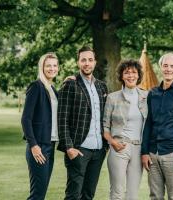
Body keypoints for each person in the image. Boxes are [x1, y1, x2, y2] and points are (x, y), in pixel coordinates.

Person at [141, 52, 173, 200]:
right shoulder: (153, 93)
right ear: (161, 68)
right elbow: (148, 123)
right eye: (165, 65)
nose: (168, 69)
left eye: (172, 66)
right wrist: (144, 152)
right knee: (155, 196)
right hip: (152, 153)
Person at [57, 46, 108, 200]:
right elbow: (62, 118)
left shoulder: (102, 86)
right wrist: (69, 147)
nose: (87, 63)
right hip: (79, 148)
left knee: (88, 194)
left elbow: (105, 117)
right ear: (78, 62)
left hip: (98, 150)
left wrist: (105, 146)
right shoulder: (71, 84)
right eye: (83, 60)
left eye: (90, 60)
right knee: (73, 194)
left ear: (95, 62)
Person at [103, 60, 148, 200]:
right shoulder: (112, 98)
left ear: (139, 75)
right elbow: (105, 127)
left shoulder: (146, 97)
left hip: (139, 148)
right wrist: (113, 142)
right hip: (119, 148)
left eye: (134, 72)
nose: (130, 75)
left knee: (133, 194)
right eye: (126, 72)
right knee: (117, 193)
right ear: (121, 76)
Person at [21, 52, 59, 200]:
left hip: (51, 145)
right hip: (39, 147)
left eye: (55, 65)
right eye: (48, 65)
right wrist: (33, 145)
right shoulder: (36, 87)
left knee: (40, 194)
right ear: (42, 67)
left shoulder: (52, 90)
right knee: (37, 195)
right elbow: (26, 119)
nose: (52, 68)